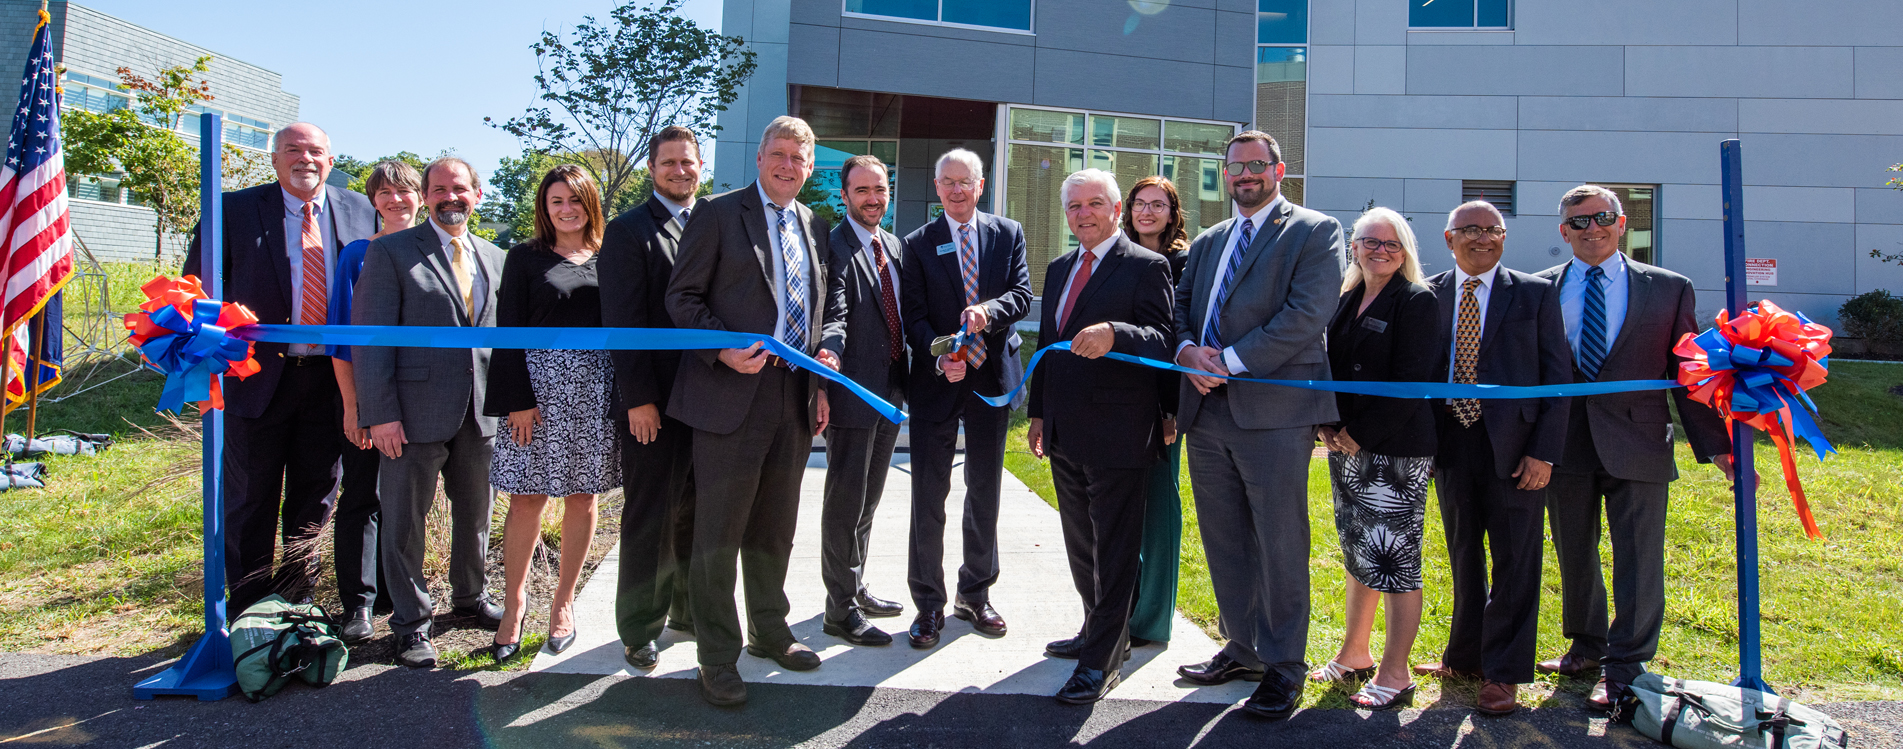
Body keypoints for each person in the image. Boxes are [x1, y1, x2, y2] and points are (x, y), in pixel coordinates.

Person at [665, 115, 847, 706]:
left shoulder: (815, 225)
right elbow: (681, 297)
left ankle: (770, 631)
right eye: (779, 154)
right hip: (728, 395)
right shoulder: (718, 214)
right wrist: (721, 346)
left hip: (793, 398)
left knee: (775, 528)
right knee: (719, 532)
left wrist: (828, 357)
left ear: (810, 166)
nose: (788, 165)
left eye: (799, 158)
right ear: (760, 156)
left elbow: (829, 305)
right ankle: (717, 656)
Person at [1534, 185, 1734, 710]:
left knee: (1638, 558)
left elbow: (1687, 376)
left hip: (1640, 442)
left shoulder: (1669, 289)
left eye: (1602, 218)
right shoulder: (1537, 289)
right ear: (1564, 231)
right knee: (1573, 551)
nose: (1591, 228)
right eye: (1579, 222)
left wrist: (1718, 448)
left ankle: (1625, 666)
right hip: (1565, 444)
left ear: (1622, 223)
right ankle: (1585, 645)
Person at [1170, 130, 1342, 720]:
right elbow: (1181, 306)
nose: (1244, 174)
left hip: (1272, 412)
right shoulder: (1212, 239)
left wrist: (1231, 361)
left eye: (1255, 165)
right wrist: (1190, 351)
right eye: (1234, 166)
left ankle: (1285, 665)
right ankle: (1242, 647)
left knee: (1280, 540)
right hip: (1206, 408)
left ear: (1278, 168)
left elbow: (1308, 313)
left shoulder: (1315, 231)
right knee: (1223, 537)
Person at [182, 122, 376, 613]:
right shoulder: (233, 211)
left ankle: (297, 603)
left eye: (316, 151)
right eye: (293, 149)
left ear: (331, 161)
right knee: (251, 497)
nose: (305, 159)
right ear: (274, 158)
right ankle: (249, 608)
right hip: (255, 378)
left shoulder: (361, 211)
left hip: (331, 381)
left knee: (316, 493)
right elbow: (196, 293)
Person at [1410, 200, 1572, 716]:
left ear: (1503, 238)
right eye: (1471, 229)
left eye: (1492, 230)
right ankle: (1465, 655)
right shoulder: (1425, 294)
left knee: (1515, 560)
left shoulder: (1534, 294)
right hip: (1450, 444)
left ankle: (1503, 672)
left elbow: (1557, 379)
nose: (1482, 238)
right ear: (1448, 237)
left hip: (1515, 449)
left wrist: (1543, 452)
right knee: (1462, 551)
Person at [354, 156, 509, 669]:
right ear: (425, 195)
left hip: (481, 413)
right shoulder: (392, 252)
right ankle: (411, 624)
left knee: (477, 516)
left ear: (476, 194)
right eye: (438, 188)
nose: (450, 197)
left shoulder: (496, 256)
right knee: (404, 522)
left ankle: (469, 598)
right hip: (410, 414)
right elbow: (370, 339)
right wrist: (379, 413)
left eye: (459, 188)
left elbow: (503, 343)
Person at [1027, 169, 1175, 704]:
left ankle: (1103, 661)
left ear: (1117, 211)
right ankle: (1099, 631)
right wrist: (1039, 414)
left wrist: (1117, 334)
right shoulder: (1060, 267)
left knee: (1114, 549)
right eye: (1074, 206)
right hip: (1065, 430)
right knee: (1081, 544)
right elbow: (1048, 343)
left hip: (1119, 430)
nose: (1083, 213)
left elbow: (1163, 340)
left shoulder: (1147, 266)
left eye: (1094, 204)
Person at [484, 165, 622, 662]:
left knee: (583, 498)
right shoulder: (523, 257)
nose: (566, 209)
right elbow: (508, 330)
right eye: (556, 201)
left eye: (576, 200)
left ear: (591, 203)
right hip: (534, 394)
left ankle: (563, 605)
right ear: (544, 207)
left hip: (593, 392)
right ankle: (514, 605)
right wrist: (517, 399)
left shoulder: (612, 257)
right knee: (526, 498)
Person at [899, 148, 1032, 650]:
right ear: (937, 188)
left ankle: (975, 594)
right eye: (947, 182)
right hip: (939, 380)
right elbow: (913, 315)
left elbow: (1021, 294)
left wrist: (988, 311)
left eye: (966, 182)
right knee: (929, 495)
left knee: (984, 492)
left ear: (981, 186)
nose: (957, 190)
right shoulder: (917, 243)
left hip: (992, 379)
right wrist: (939, 356)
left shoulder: (1007, 233)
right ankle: (929, 604)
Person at [1309, 207, 1440, 710]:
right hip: (1345, 446)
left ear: (1404, 251)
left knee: (1396, 560)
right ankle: (1354, 654)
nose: (1378, 250)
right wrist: (1326, 422)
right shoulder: (1346, 299)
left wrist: (1358, 434)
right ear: (1354, 246)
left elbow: (1412, 381)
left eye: (1390, 244)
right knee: (1359, 553)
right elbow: (1329, 368)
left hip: (1395, 451)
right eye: (1369, 241)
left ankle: (1396, 671)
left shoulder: (1417, 300)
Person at [601, 125, 704, 670]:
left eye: (687, 162)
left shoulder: (712, 220)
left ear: (699, 164)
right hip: (654, 404)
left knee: (696, 509)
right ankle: (640, 627)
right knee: (651, 515)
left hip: (710, 399)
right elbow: (622, 322)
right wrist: (638, 397)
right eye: (669, 163)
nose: (679, 171)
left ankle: (686, 609)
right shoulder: (628, 231)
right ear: (651, 168)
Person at [326, 159, 420, 644]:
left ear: (420, 196)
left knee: (404, 502)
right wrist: (353, 407)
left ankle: (395, 596)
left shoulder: (436, 252)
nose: (394, 200)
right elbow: (343, 342)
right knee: (362, 496)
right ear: (372, 202)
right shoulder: (355, 256)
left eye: (403, 191)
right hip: (370, 400)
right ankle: (358, 604)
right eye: (384, 193)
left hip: (423, 402)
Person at [818, 154, 908, 647]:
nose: (873, 199)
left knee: (869, 500)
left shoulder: (892, 244)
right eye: (862, 191)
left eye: (880, 190)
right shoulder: (834, 246)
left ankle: (855, 586)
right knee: (845, 501)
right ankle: (839, 609)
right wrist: (828, 356)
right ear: (845, 194)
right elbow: (834, 311)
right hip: (852, 392)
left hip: (891, 390)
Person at [1119, 175, 1188, 648]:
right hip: (1119, 402)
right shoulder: (1118, 255)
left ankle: (1151, 620)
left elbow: (1175, 337)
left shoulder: (1184, 262)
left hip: (1163, 404)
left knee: (1159, 508)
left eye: (1157, 205)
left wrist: (1170, 410)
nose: (1147, 212)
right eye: (1140, 204)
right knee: (1123, 512)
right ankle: (1121, 610)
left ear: (1172, 212)